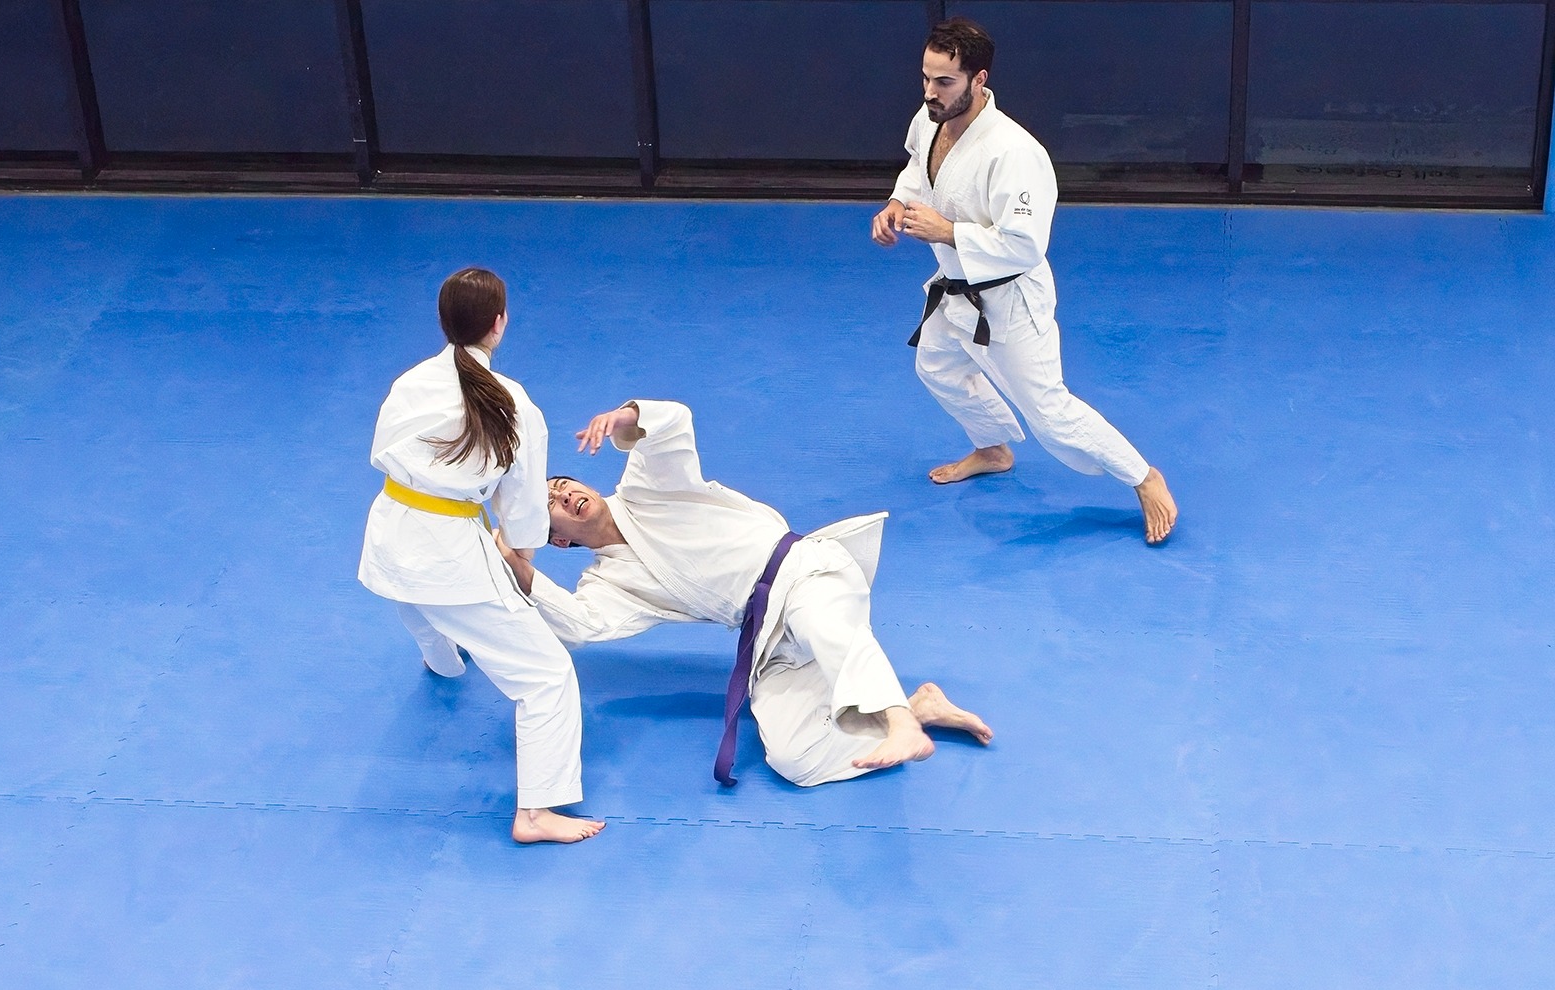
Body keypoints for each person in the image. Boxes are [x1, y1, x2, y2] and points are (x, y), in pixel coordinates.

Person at [494, 399, 992, 789]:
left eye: (562, 483)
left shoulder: (647, 489)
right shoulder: (609, 582)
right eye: (551, 503)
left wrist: (626, 417)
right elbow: (582, 624)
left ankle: (899, 723)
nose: (565, 494)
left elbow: (673, 426)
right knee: (794, 758)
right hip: (767, 633)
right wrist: (517, 565)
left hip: (805, 570)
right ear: (558, 540)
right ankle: (917, 706)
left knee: (823, 623)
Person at [871, 16, 1179, 545]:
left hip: (1009, 299)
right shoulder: (931, 120)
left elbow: (1025, 244)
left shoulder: (1016, 153)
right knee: (937, 365)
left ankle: (1143, 477)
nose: (930, 92)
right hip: (957, 289)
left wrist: (947, 231)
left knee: (1051, 415)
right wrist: (898, 202)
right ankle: (992, 449)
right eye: (925, 78)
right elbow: (917, 170)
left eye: (944, 81)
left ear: (979, 79)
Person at [357, 267, 603, 844]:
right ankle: (535, 814)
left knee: (418, 603)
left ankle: (442, 661)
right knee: (547, 676)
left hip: (389, 532)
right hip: (447, 557)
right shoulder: (514, 403)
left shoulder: (410, 382)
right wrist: (520, 564)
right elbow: (523, 509)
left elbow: (382, 451)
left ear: (444, 322)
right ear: (499, 323)